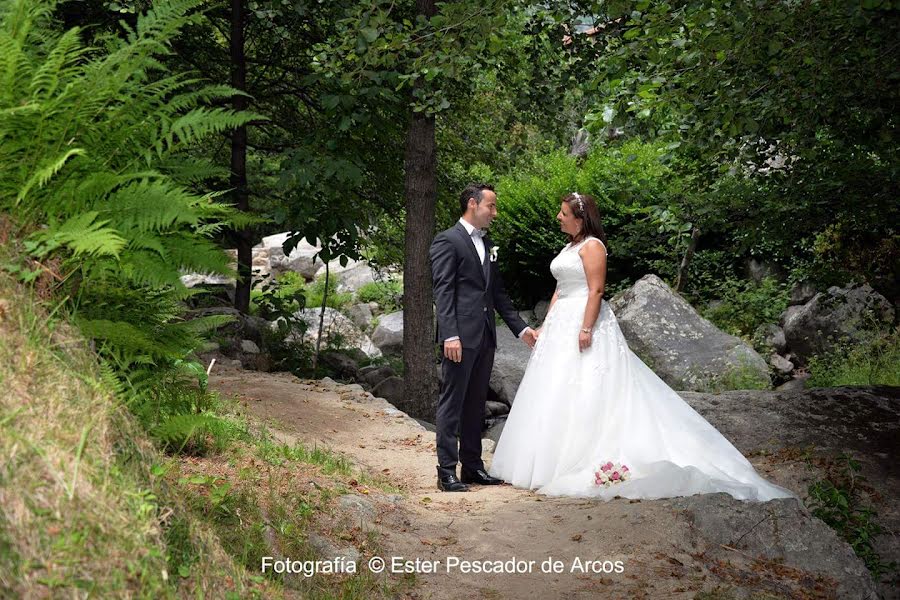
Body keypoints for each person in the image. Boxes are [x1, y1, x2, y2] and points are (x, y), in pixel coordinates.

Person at [488, 192, 796, 501]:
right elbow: (560, 290)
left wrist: (586, 328)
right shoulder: (570, 246)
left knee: (590, 385)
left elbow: (595, 290)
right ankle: (543, 460)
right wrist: (546, 324)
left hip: (584, 318)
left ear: (580, 219)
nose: (558, 217)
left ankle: (584, 455)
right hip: (561, 323)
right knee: (555, 388)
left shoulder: (593, 246)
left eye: (563, 213)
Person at [430, 183, 537, 492]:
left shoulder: (488, 244)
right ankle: (446, 470)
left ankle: (473, 467)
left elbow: (498, 294)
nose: (495, 212)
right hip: (459, 339)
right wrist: (449, 334)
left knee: (476, 404)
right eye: (491, 206)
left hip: (485, 338)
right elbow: (443, 292)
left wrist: (521, 329)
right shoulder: (447, 241)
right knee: (452, 403)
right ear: (473, 205)